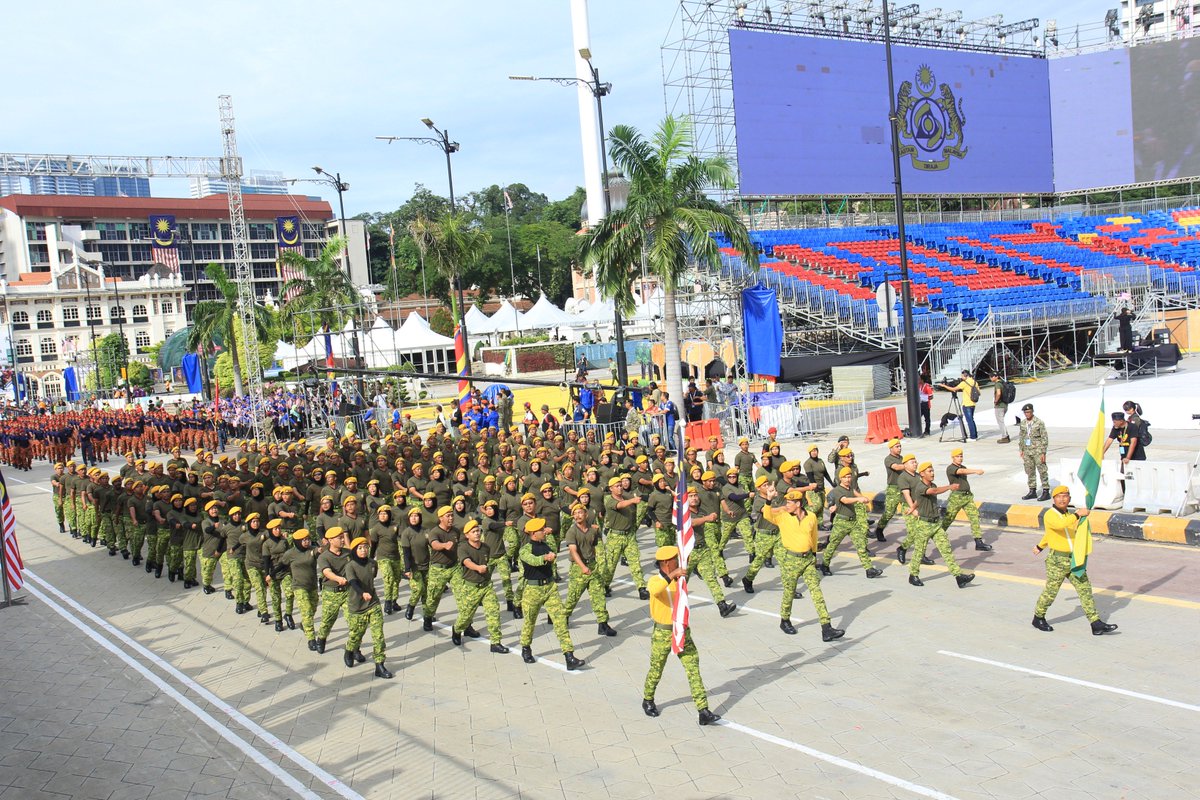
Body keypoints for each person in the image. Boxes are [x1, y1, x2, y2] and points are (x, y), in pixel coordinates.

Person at [641, 545, 720, 726]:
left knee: (693, 666)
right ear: (667, 563)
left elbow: (687, 561)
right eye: (676, 559)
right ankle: (648, 698)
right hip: (663, 632)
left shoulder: (679, 580)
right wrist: (672, 575)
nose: (679, 562)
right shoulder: (654, 580)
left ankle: (703, 710)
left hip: (682, 629)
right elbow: (656, 591)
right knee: (657, 668)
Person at [758, 485, 845, 640]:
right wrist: (769, 498)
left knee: (816, 592)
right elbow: (766, 515)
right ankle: (784, 620)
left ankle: (826, 627)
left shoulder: (811, 517)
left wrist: (814, 556)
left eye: (789, 503)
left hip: (807, 560)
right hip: (790, 560)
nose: (786, 505)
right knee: (789, 592)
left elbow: (814, 537)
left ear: (798, 504)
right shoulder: (783, 517)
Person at [1032, 486, 1118, 636]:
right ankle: (1038, 617)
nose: (1062, 499)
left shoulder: (1069, 515)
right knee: (1051, 592)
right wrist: (1078, 514)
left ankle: (1095, 623)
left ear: (1069, 499)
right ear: (1053, 499)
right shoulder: (1050, 515)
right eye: (1059, 496)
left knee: (1085, 590)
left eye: (1065, 496)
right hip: (1057, 561)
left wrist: (1040, 545)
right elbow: (1058, 526)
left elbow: (1051, 534)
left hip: (1074, 560)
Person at [517, 518, 585, 670]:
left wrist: (550, 550)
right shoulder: (525, 549)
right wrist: (545, 558)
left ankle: (569, 656)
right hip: (533, 590)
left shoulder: (547, 544)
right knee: (530, 621)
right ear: (534, 533)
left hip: (550, 587)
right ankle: (526, 648)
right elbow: (533, 561)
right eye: (542, 529)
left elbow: (554, 551)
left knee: (560, 620)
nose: (545, 530)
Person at [906, 462, 975, 589]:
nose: (932, 473)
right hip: (924, 525)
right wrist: (950, 487)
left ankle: (959, 577)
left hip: (936, 524)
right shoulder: (920, 486)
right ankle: (913, 575)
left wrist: (912, 508)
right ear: (922, 474)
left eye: (932, 471)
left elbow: (918, 500)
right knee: (919, 551)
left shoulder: (932, 485)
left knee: (946, 550)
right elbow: (934, 491)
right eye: (929, 471)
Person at [451, 519, 508, 653]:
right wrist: (477, 568)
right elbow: (467, 562)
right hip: (471, 587)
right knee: (466, 616)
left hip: (486, 586)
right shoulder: (463, 548)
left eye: (478, 531)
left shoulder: (485, 547)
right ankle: (457, 629)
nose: (477, 534)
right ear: (467, 535)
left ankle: (495, 642)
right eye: (473, 532)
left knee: (493, 611)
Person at [343, 536, 394, 678]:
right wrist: (362, 593)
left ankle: (379, 665)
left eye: (365, 547)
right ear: (354, 550)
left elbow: (372, 576)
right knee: (356, 634)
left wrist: (369, 593)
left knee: (378, 635)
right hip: (357, 606)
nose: (363, 550)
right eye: (360, 548)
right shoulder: (350, 566)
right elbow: (353, 582)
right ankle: (349, 650)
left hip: (373, 603)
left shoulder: (372, 563)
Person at [940, 448, 992, 552]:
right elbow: (961, 471)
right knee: (948, 519)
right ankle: (938, 537)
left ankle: (978, 541)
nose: (960, 458)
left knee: (974, 517)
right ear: (953, 458)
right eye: (957, 457)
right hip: (956, 497)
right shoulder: (951, 468)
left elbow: (963, 470)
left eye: (961, 456)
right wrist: (976, 471)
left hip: (967, 497)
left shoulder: (963, 467)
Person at [1017, 403, 1050, 501]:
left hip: (1038, 450)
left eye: (1029, 412)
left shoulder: (1039, 422)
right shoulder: (1023, 423)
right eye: (1025, 412)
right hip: (1027, 450)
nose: (1027, 414)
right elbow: (1021, 437)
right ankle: (1032, 490)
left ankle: (1046, 490)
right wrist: (1021, 449)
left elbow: (1044, 437)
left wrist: (1043, 452)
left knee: (1042, 470)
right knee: (1029, 470)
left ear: (1032, 412)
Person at [938, 370, 980, 440]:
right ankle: (974, 435)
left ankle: (973, 437)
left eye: (962, 376)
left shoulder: (964, 383)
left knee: (969, 421)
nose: (961, 378)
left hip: (967, 404)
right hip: (973, 403)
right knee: (971, 420)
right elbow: (979, 393)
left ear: (965, 375)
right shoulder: (974, 382)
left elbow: (953, 389)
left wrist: (944, 386)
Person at [991, 373, 1011, 444]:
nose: (990, 378)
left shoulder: (997, 384)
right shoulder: (1003, 382)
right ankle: (1006, 435)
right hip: (1005, 404)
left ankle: (1005, 437)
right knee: (1001, 421)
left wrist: (996, 401)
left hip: (1000, 405)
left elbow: (998, 393)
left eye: (992, 376)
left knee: (1000, 422)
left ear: (996, 377)